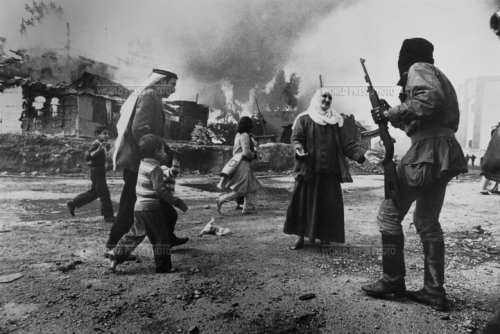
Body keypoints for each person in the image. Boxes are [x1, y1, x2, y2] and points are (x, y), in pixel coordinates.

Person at [361, 38, 468, 311]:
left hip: (427, 151)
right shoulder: (434, 72)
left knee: (389, 215)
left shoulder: (419, 68)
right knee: (427, 220)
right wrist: (391, 115)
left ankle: (392, 281)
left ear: (406, 57)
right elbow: (421, 114)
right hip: (443, 150)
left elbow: (428, 99)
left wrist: (390, 111)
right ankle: (434, 291)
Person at [283, 89, 380, 250]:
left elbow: (348, 146)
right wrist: (299, 149)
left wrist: (365, 154)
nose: (327, 100)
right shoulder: (304, 119)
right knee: (302, 203)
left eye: (330, 97)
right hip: (309, 170)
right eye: (324, 96)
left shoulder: (337, 122)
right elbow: (296, 139)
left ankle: (325, 236)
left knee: (328, 205)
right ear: (316, 98)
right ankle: (300, 236)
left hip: (330, 171)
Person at [107, 69, 188, 253]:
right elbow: (140, 131)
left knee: (161, 202)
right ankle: (112, 247)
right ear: (161, 83)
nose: (174, 89)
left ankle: (167, 237)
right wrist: (155, 155)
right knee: (129, 208)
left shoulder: (153, 98)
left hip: (143, 160)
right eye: (172, 84)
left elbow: (151, 134)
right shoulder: (149, 96)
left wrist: (166, 149)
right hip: (138, 163)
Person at [107, 134, 188, 273]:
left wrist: (174, 159)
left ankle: (116, 254)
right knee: (161, 238)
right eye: (163, 150)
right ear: (156, 151)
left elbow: (171, 171)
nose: (164, 153)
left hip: (139, 207)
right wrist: (177, 202)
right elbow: (160, 190)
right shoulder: (155, 169)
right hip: (152, 208)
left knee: (135, 234)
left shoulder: (143, 164)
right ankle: (163, 266)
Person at [67, 125, 114, 222]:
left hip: (99, 170)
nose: (107, 135)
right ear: (97, 135)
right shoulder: (96, 144)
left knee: (95, 192)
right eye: (104, 133)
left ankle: (74, 202)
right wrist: (97, 151)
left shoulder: (102, 144)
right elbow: (87, 157)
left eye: (108, 134)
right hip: (97, 172)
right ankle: (108, 217)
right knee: (104, 194)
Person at [217, 116, 262, 214]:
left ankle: (248, 207)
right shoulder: (245, 135)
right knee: (240, 189)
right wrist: (254, 155)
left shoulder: (238, 135)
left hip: (238, 162)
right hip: (243, 163)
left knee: (251, 186)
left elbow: (236, 151)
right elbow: (246, 152)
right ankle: (222, 199)